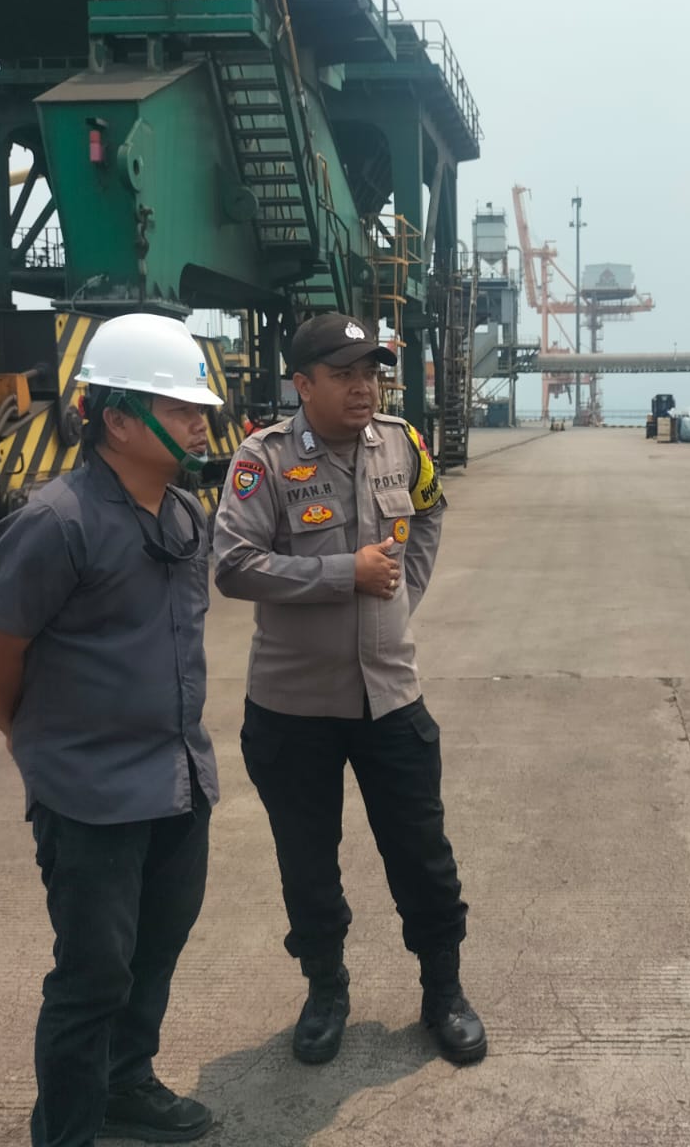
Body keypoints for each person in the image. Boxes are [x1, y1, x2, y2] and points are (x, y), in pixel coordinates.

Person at [0, 313, 224, 1146]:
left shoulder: (183, 514)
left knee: (154, 953)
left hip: (178, 782)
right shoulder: (57, 523)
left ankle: (126, 1084)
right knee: (92, 977)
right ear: (117, 419)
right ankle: (68, 1130)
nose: (201, 424)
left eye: (200, 410)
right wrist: (31, 739)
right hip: (91, 797)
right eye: (181, 409)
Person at [213, 313, 486, 1066]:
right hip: (293, 708)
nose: (364, 387)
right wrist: (346, 576)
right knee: (307, 863)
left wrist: (400, 599)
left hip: (390, 698)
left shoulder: (404, 443)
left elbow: (428, 512)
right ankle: (326, 989)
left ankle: (443, 990)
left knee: (423, 856)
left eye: (371, 372)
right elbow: (232, 564)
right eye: (344, 374)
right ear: (303, 384)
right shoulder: (263, 459)